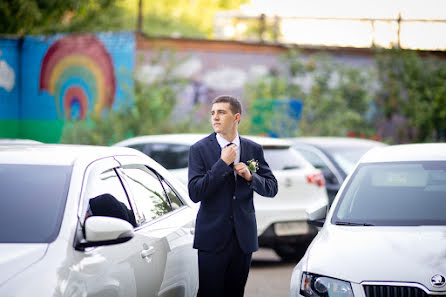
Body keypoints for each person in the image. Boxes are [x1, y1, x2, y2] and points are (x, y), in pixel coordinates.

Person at [188, 95, 278, 297]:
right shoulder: (199, 149)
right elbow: (195, 192)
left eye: (221, 112)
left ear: (236, 117)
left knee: (235, 293)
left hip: (242, 239)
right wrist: (221, 164)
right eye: (213, 113)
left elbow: (271, 188)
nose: (215, 118)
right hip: (212, 239)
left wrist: (249, 176)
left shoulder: (253, 148)